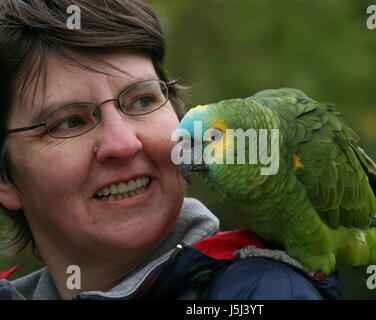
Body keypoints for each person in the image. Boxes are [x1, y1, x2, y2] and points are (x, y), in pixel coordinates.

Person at [0, 0, 343, 300]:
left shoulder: (262, 293)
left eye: (143, 99)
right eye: (69, 122)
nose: (123, 143)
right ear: (5, 180)